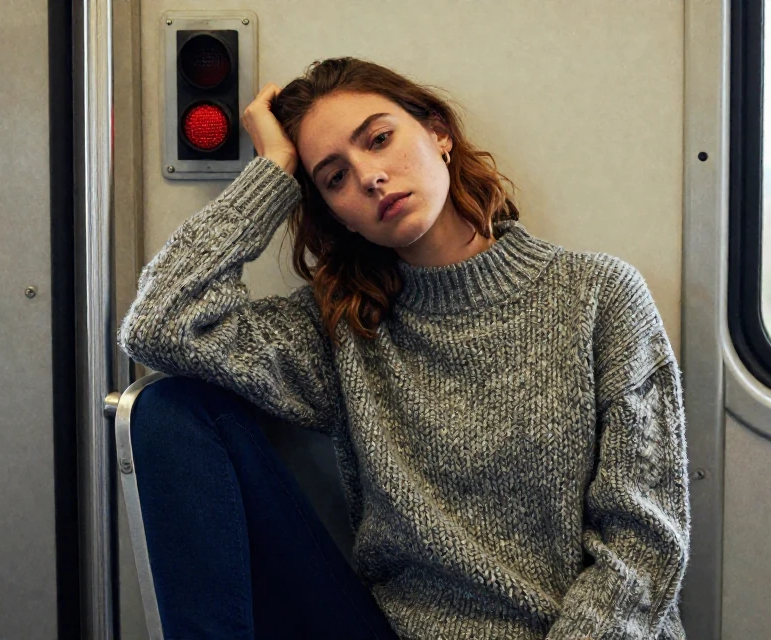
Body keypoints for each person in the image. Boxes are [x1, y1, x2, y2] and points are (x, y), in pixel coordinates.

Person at [119, 57, 690, 639]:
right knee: (169, 411)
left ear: (438, 133)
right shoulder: (343, 330)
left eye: (380, 139)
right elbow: (161, 322)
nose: (369, 177)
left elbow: (644, 544)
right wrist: (271, 172)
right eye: (334, 177)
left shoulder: (598, 294)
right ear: (337, 216)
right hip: (391, 630)